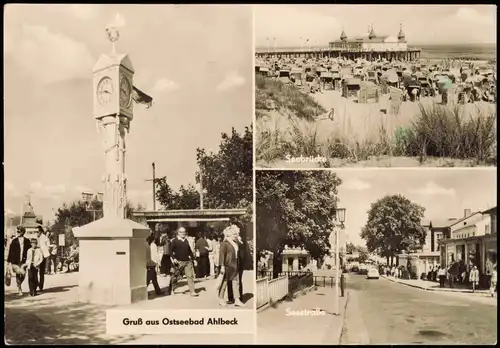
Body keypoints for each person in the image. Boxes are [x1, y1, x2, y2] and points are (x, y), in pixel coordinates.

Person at [218, 225, 245, 307]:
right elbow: (221, 255)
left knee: (236, 282)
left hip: (235, 265)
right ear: (228, 235)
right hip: (227, 265)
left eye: (236, 234)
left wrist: (240, 241)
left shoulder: (236, 243)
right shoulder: (224, 243)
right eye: (234, 234)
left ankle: (237, 299)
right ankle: (221, 299)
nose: (236, 236)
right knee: (224, 283)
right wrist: (222, 266)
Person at [170, 227, 198, 297]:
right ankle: (171, 289)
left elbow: (190, 251)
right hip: (179, 262)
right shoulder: (174, 241)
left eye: (184, 232)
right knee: (175, 276)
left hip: (187, 262)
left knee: (190, 276)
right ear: (178, 233)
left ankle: (192, 291)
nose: (183, 233)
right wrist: (173, 258)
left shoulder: (186, 241)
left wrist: (194, 259)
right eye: (181, 232)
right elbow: (170, 251)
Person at [7, 226, 32, 296]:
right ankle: (20, 289)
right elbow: (11, 251)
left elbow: (29, 250)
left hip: (24, 260)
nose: (18, 232)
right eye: (17, 231)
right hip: (16, 260)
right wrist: (9, 261)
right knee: (18, 274)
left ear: (23, 232)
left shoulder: (27, 241)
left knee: (23, 274)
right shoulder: (14, 241)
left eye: (19, 231)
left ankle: (19, 284)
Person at [36, 226, 50, 292]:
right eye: (35, 232)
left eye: (37, 232)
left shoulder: (45, 238)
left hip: (42, 256)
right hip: (35, 256)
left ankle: (41, 286)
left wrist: (42, 250)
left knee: (41, 272)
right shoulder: (35, 237)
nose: (36, 233)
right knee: (34, 271)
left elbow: (48, 247)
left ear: (41, 232)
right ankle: (36, 284)